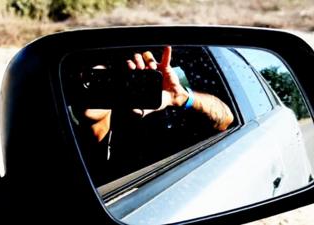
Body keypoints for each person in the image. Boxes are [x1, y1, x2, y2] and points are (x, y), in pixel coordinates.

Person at [76, 46, 234, 185]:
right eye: (81, 80)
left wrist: (180, 97)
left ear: (119, 85)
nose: (87, 86)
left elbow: (226, 118)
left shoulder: (149, 140)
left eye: (97, 79)